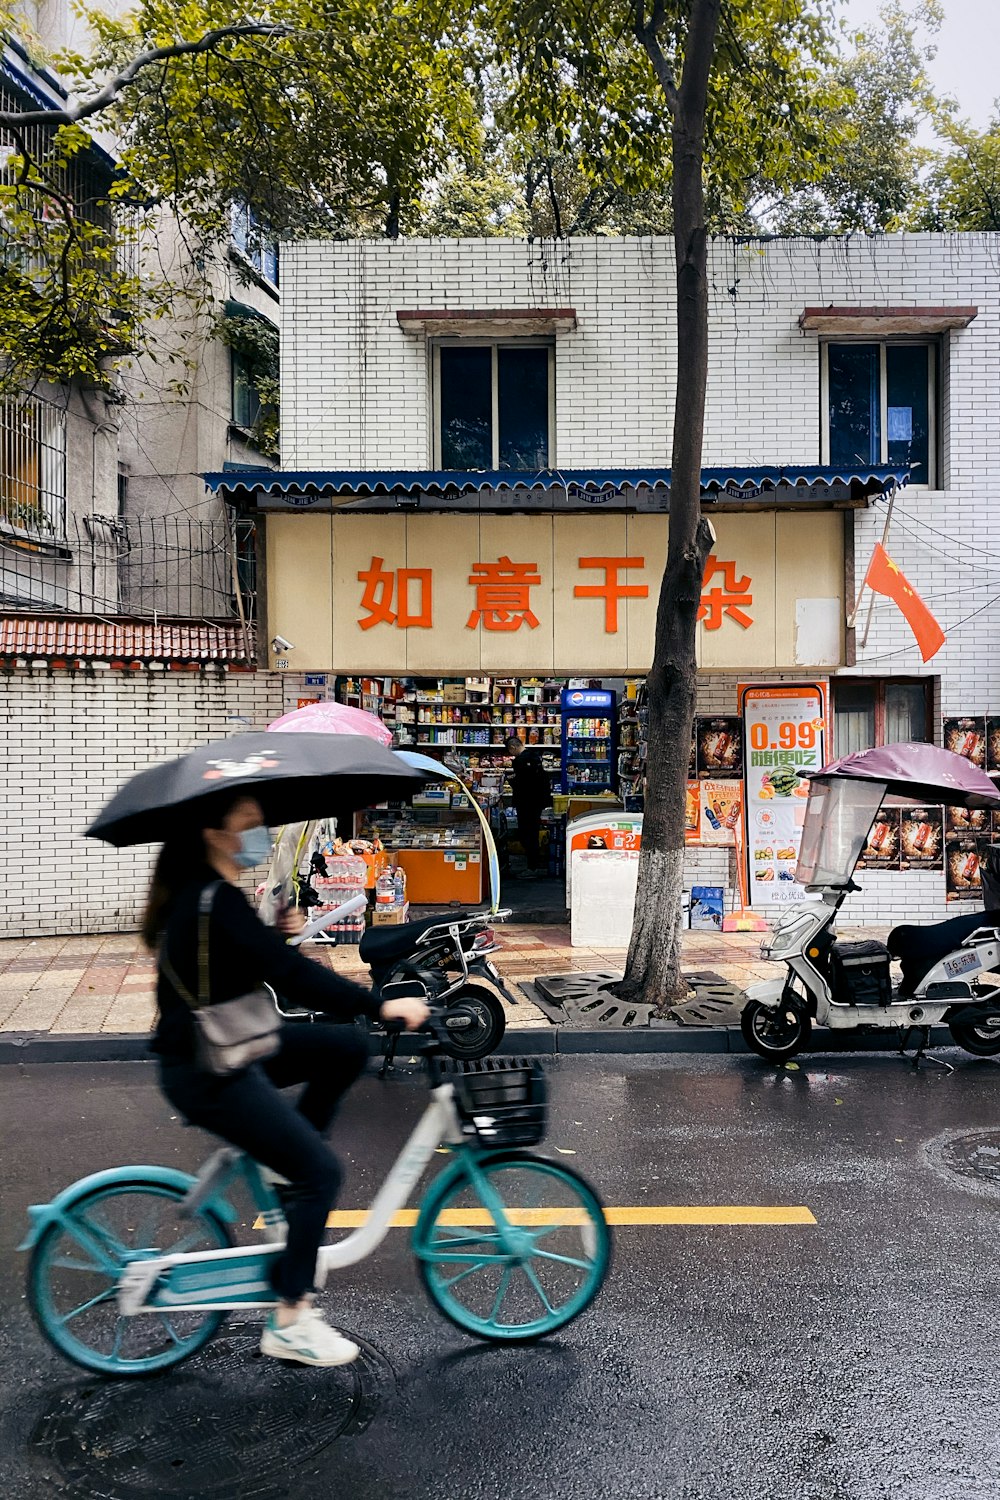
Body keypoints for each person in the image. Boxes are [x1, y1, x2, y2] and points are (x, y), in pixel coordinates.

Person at [143, 792, 428, 1368]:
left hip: (232, 1043)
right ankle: (292, 1318)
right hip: (209, 1067)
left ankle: (286, 1162)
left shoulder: (213, 899)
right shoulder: (211, 899)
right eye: (250, 824)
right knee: (321, 1172)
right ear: (215, 834)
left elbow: (240, 967)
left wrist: (273, 933)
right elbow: (291, 977)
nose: (262, 834)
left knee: (342, 1048)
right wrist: (381, 1006)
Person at [505, 736, 550, 876]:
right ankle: (534, 865)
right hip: (537, 802)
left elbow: (522, 784)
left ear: (513, 747)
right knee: (533, 832)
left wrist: (511, 781)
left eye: (510, 751)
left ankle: (532, 867)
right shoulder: (535, 756)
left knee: (526, 833)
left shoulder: (519, 761)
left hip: (526, 803)